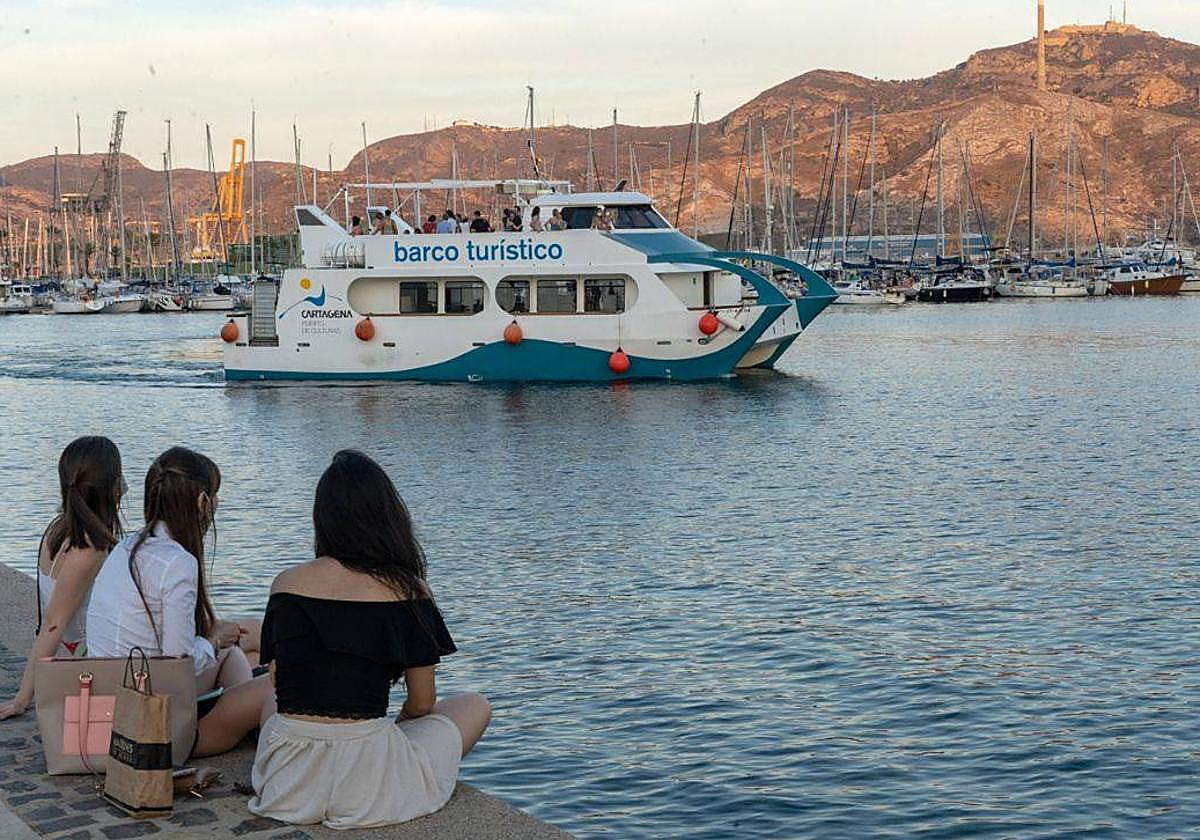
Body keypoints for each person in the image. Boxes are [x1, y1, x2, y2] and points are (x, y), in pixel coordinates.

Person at [248, 450, 490, 830]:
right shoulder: (408, 591)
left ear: (322, 519)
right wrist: (398, 727)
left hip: (288, 780)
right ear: (388, 517)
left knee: (275, 706)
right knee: (475, 705)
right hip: (367, 780)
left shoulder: (286, 584)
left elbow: (280, 681)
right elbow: (422, 702)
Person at [86, 447, 274, 757]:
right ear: (201, 502)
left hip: (115, 696)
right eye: (215, 495)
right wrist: (213, 641)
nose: (218, 503)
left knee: (244, 640)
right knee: (267, 682)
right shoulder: (178, 563)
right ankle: (243, 726)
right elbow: (178, 664)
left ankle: (243, 704)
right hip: (151, 721)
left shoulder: (125, 548)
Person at [0, 437, 125, 720]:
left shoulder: (59, 530)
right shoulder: (90, 548)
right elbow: (53, 624)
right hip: (86, 661)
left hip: (75, 653)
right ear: (110, 486)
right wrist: (22, 698)